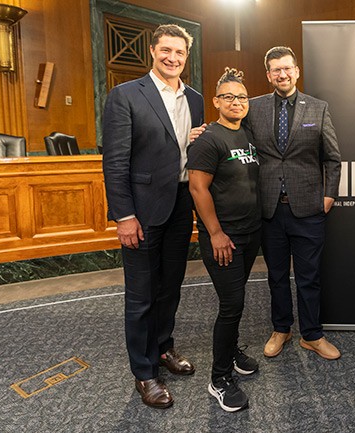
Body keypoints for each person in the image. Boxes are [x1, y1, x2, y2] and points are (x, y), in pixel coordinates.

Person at [102, 24, 204, 409]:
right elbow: (114, 163)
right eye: (165, 50)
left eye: (179, 52)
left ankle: (163, 349)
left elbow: (187, 148)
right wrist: (124, 215)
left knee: (171, 287)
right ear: (152, 51)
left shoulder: (194, 99)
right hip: (141, 211)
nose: (172, 58)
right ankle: (144, 373)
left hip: (181, 204)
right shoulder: (126, 95)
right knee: (142, 295)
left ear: (185, 56)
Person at [248, 46, 342, 360]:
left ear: (297, 71)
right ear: (268, 75)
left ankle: (313, 335)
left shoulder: (318, 108)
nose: (282, 74)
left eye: (287, 68)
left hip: (308, 208)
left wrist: (329, 195)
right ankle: (282, 329)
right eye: (276, 70)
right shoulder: (253, 108)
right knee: (275, 275)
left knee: (309, 276)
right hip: (270, 209)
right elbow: (233, 139)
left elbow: (332, 157)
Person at [187, 68, 260, 413]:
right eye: (228, 97)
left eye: (242, 97)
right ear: (216, 102)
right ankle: (219, 379)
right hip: (223, 239)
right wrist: (214, 232)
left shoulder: (246, 133)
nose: (236, 102)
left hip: (250, 235)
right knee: (232, 305)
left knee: (238, 299)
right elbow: (197, 188)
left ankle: (231, 353)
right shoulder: (207, 139)